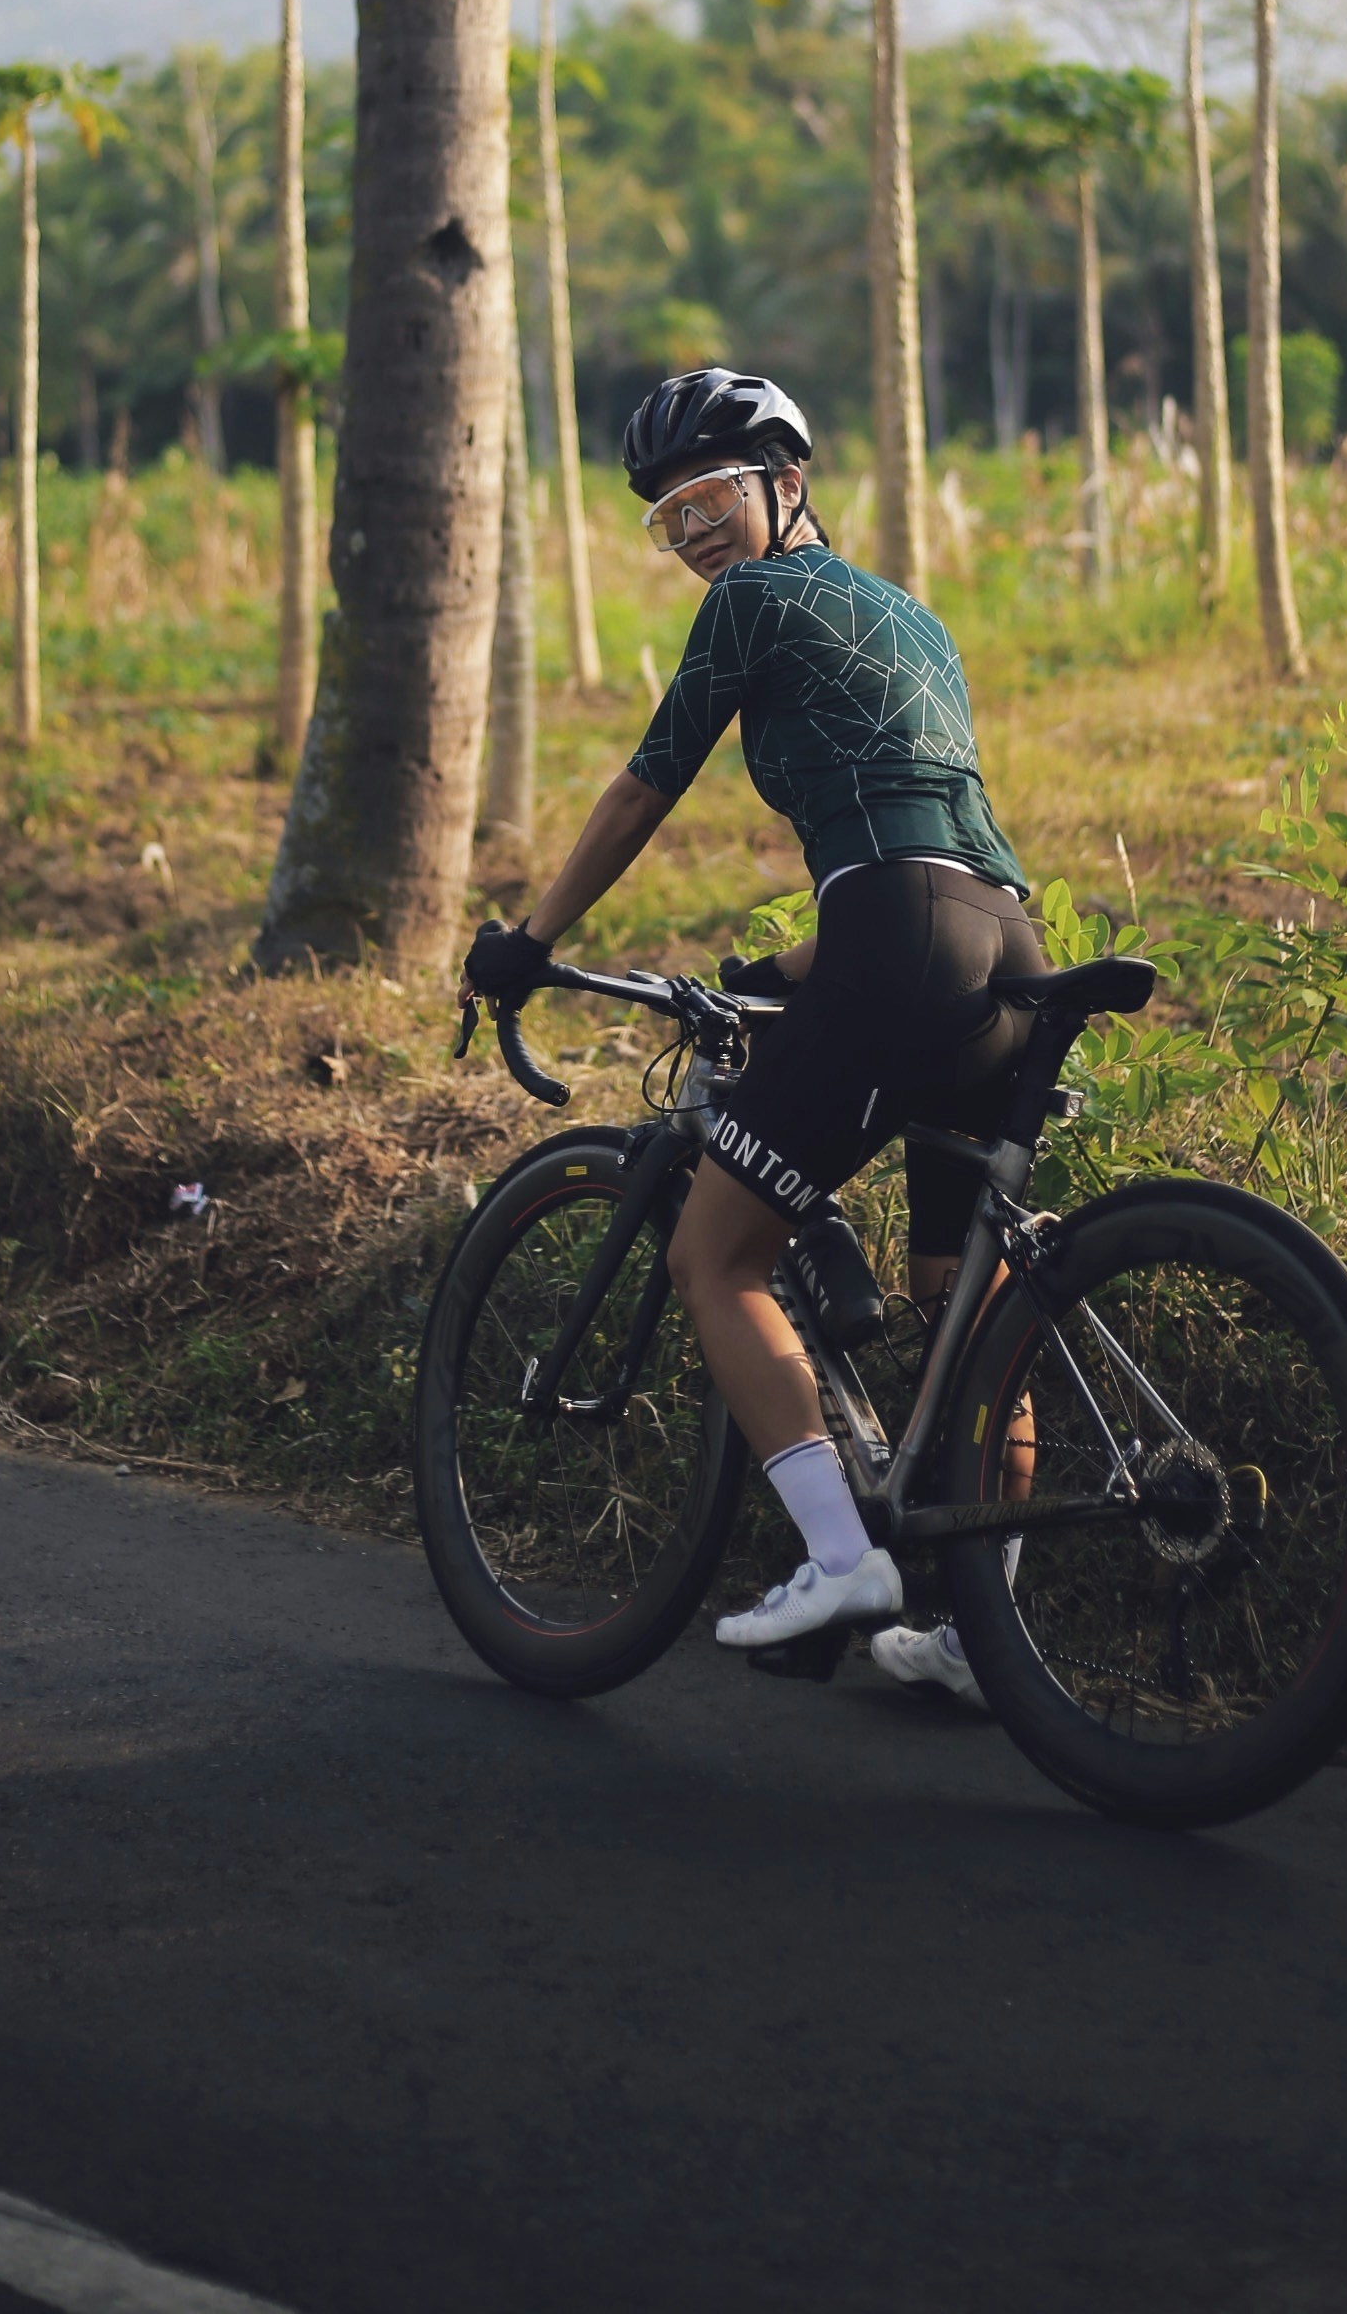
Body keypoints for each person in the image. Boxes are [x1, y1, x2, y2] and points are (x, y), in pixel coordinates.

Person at [462, 364, 1046, 1698]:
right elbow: (926, 849)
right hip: (1007, 946)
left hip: (902, 937)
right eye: (670, 519)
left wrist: (533, 939)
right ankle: (982, 1638)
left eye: (710, 496)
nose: (694, 533)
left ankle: (842, 1559)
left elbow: (643, 786)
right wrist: (773, 964)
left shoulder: (755, 600)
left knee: (717, 1254)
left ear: (789, 486)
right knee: (969, 1296)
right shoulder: (912, 617)